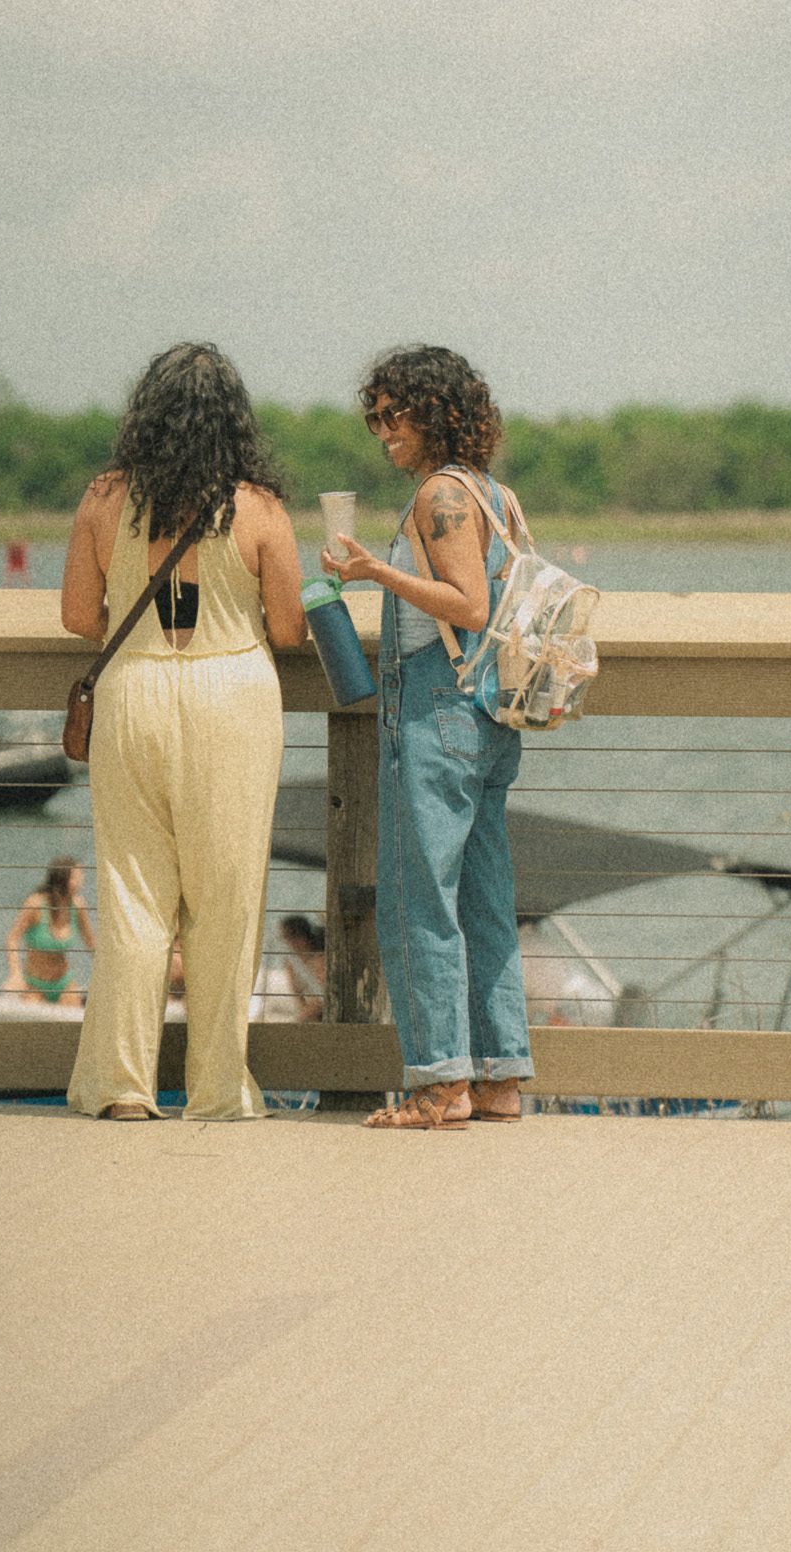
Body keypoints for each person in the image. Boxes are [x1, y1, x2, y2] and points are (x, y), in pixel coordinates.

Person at [61, 341, 306, 1122]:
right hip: (231, 694)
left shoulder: (105, 499)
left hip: (133, 687)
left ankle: (120, 1087)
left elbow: (75, 617)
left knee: (134, 895)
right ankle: (217, 1089)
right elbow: (289, 630)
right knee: (226, 899)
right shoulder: (259, 508)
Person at [323, 345, 533, 1129]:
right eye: (374, 419)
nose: (382, 433)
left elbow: (466, 603)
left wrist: (373, 573)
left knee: (417, 900)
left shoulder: (438, 496)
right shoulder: (494, 494)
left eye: (392, 416)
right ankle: (499, 1075)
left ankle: (439, 1082)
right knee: (483, 896)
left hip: (437, 708)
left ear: (431, 412)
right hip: (489, 710)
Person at [4, 855, 96, 1006]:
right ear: (62, 879)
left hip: (63, 984)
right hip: (34, 985)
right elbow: (12, 939)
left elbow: (92, 944)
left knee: (74, 1026)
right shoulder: (36, 904)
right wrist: (15, 973)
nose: (82, 881)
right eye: (76, 877)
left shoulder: (78, 906)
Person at [278, 915, 326, 1021]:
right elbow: (297, 994)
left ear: (301, 939)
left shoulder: (319, 959)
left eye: (286, 938)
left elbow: (321, 996)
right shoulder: (291, 962)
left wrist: (301, 1018)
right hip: (309, 1014)